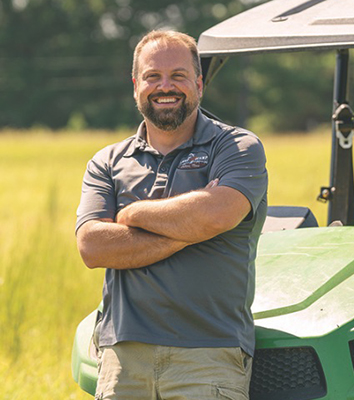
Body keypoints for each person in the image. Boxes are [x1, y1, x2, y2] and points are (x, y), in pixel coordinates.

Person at [75, 30, 268, 400]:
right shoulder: (108, 162)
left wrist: (131, 214)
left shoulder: (237, 147)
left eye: (178, 76)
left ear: (198, 83)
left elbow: (217, 214)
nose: (165, 86)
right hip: (122, 357)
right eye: (152, 76)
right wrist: (191, 226)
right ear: (136, 86)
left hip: (209, 354)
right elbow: (93, 247)